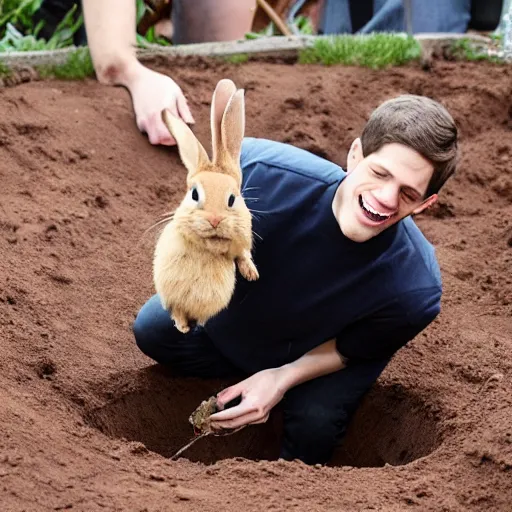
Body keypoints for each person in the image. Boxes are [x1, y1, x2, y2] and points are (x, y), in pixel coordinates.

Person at [133, 94, 459, 465]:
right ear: (355, 155)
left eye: (408, 193)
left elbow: (346, 349)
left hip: (319, 350)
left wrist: (280, 379)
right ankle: (249, 371)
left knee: (314, 427)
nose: (384, 198)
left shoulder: (415, 288)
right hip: (255, 316)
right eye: (380, 173)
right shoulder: (256, 174)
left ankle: (285, 409)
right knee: (155, 329)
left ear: (425, 204)